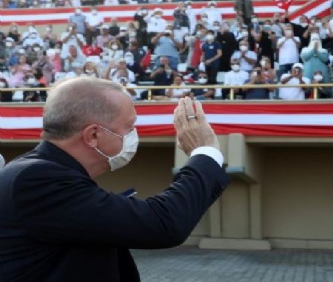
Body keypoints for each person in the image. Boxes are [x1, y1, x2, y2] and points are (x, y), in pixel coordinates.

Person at [0, 78, 231, 281]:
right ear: (93, 135)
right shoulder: (36, 179)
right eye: (129, 127)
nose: (133, 135)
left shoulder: (42, 171)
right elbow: (163, 224)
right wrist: (205, 152)